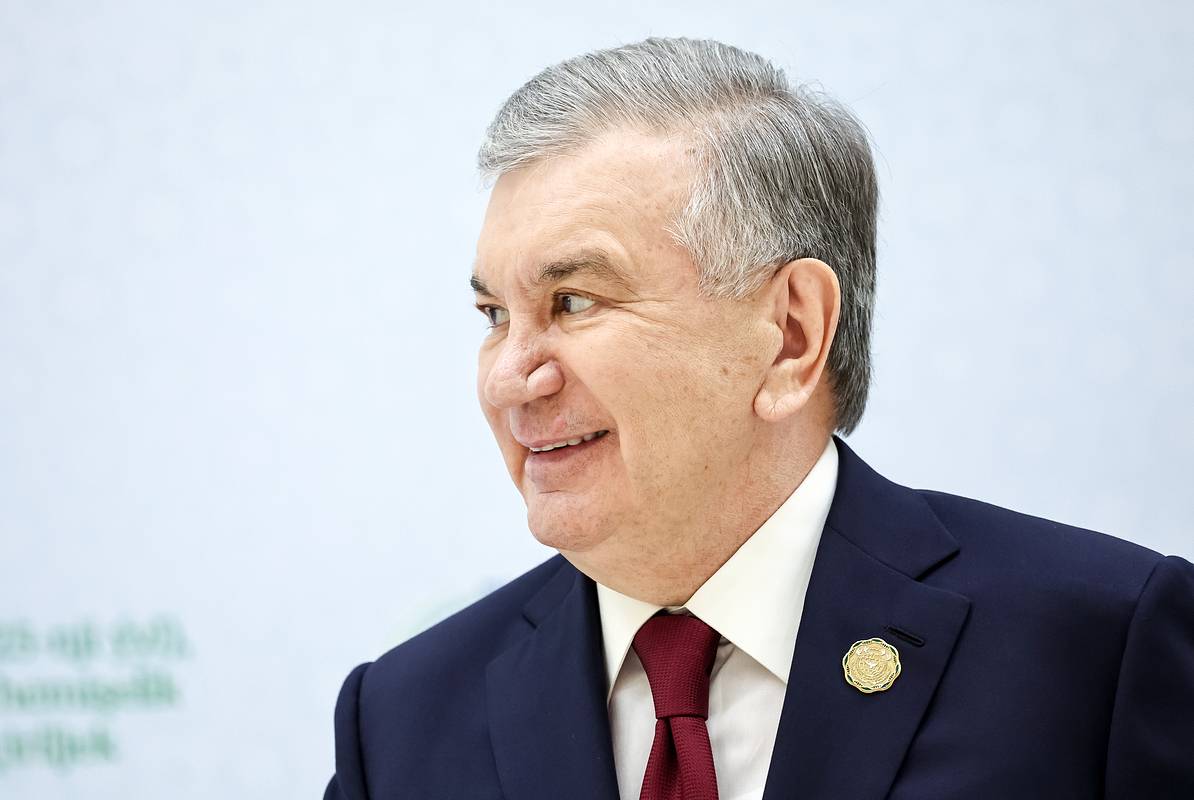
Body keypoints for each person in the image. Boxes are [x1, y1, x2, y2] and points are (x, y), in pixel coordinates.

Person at [323, 37, 1194, 799]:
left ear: (790, 336)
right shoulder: (399, 720)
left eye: (574, 300)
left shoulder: (1097, 651)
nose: (512, 379)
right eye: (493, 316)